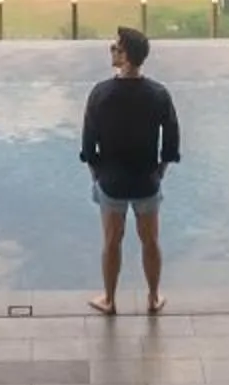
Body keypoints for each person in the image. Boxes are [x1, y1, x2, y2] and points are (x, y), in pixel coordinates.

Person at [78, 25, 182, 315]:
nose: (111, 50)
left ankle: (110, 300)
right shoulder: (158, 94)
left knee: (112, 241)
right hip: (146, 181)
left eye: (115, 47)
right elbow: (172, 140)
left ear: (125, 56)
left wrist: (97, 173)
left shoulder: (100, 93)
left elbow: (88, 143)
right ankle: (152, 297)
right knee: (150, 241)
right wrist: (159, 171)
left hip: (112, 182)